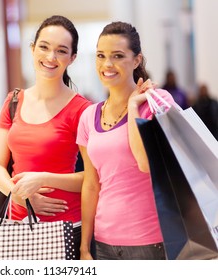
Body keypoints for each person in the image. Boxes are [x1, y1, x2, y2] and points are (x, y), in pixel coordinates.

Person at [0, 15, 92, 259]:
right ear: (33, 49)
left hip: (65, 228)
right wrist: (18, 193)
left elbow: (93, 178)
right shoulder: (14, 100)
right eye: (44, 47)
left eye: (61, 51)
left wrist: (43, 179)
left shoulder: (82, 110)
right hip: (17, 225)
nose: (50, 57)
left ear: (72, 58)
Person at [76, 21, 176, 260]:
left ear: (137, 60)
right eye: (101, 56)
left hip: (151, 242)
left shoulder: (158, 102)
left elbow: (145, 162)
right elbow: (91, 184)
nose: (107, 64)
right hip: (103, 243)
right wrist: (84, 246)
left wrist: (133, 107)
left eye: (118, 56)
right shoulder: (89, 116)